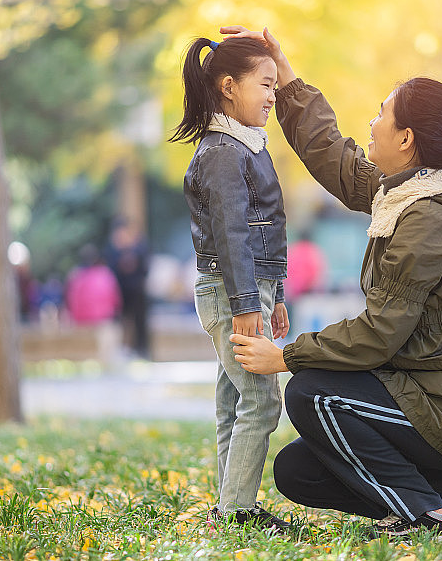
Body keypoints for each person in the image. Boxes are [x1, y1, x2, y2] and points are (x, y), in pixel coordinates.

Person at [226, 26, 442, 540]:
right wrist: (285, 71)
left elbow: (380, 333)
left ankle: (424, 516)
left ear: (406, 139)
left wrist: (288, 356)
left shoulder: (427, 220)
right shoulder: (405, 193)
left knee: (311, 394)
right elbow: (335, 160)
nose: (371, 122)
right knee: (299, 470)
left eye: (381, 114)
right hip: (437, 397)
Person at [170, 35, 290, 532]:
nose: (272, 97)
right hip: (230, 290)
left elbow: (266, 226)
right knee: (262, 400)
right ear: (227, 86)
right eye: (265, 84)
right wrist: (247, 303)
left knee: (236, 399)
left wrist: (275, 294)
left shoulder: (245, 145)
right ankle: (237, 511)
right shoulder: (223, 152)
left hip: (247, 288)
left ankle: (229, 506)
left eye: (274, 87)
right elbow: (231, 232)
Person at [105, 219, 150, 358]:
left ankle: (142, 349)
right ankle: (123, 348)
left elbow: (145, 268)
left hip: (137, 291)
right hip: (120, 292)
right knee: (122, 321)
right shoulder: (112, 250)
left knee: (140, 321)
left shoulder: (139, 247)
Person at [66, 244, 121, 325]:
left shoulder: (75, 276)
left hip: (82, 322)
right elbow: (116, 300)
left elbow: (70, 301)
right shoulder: (105, 273)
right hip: (104, 319)